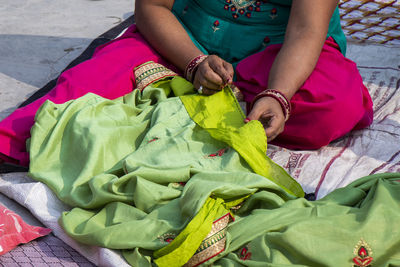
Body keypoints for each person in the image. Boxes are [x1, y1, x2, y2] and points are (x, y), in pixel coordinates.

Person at [0, 0, 373, 166]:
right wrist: (194, 64)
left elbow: (307, 31)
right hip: (182, 46)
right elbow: (153, 8)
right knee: (82, 88)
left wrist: (278, 95)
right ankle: (197, 104)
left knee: (333, 102)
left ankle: (169, 110)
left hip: (279, 56)